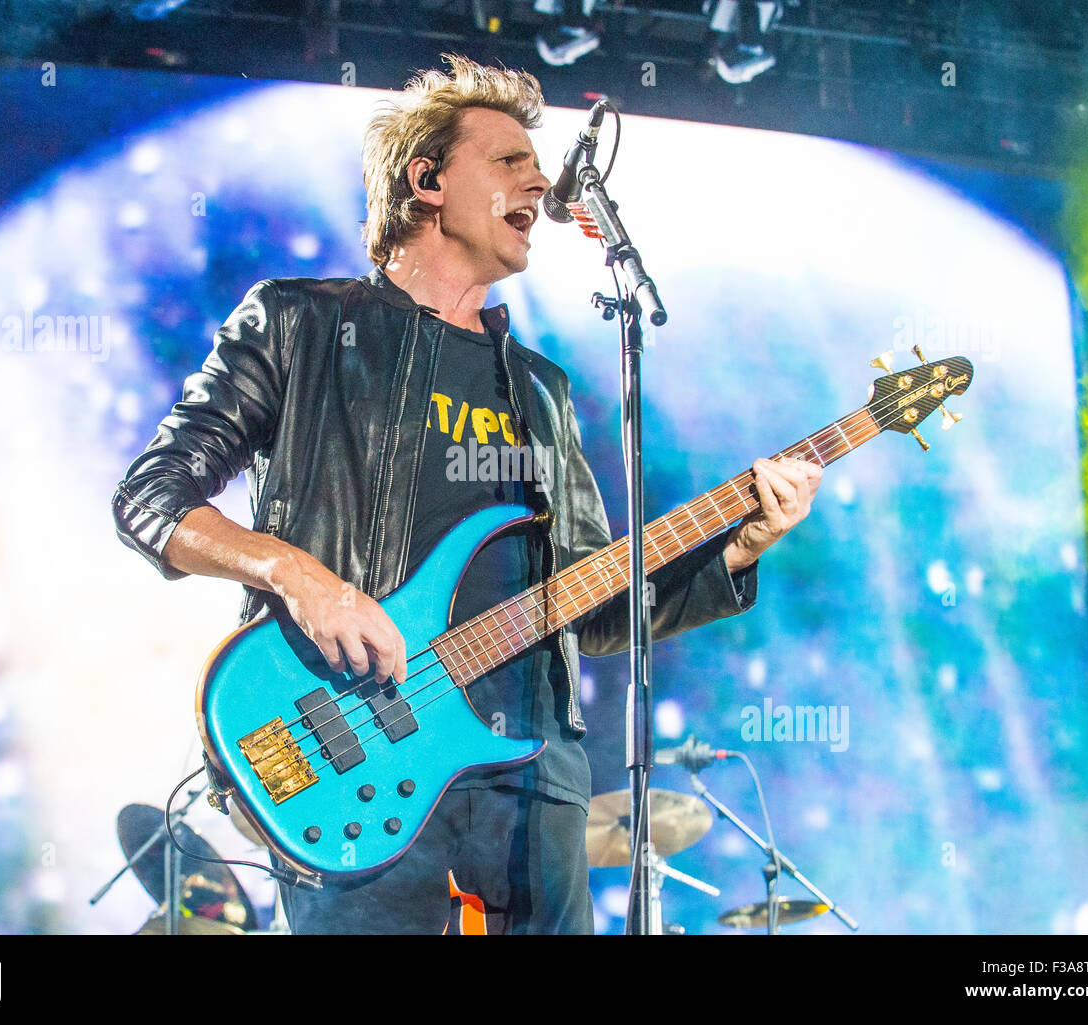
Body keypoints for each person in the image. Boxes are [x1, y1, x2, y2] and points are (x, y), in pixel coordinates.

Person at [111, 52, 822, 934]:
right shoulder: (302, 324)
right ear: (429, 182)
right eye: (511, 161)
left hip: (533, 775)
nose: (542, 181)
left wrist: (740, 547)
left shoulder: (541, 391)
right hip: (356, 750)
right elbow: (151, 496)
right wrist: (302, 577)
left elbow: (595, 608)